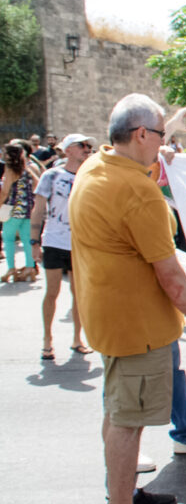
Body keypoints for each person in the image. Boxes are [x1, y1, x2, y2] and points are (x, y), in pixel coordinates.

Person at [70, 93, 186, 504]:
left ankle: (124, 495)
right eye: (159, 135)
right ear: (140, 136)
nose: (163, 145)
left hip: (109, 319)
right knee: (127, 420)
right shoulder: (137, 192)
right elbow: (171, 274)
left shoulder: (97, 167)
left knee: (117, 412)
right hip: (137, 327)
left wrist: (167, 127)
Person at [30, 133, 96, 359]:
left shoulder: (91, 176)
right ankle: (47, 340)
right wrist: (34, 241)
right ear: (68, 150)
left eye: (89, 146)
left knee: (79, 294)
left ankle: (78, 338)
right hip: (55, 241)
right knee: (52, 291)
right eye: (82, 145)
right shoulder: (51, 176)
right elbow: (38, 209)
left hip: (80, 243)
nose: (87, 149)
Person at [1, 140, 41, 283]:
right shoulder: (28, 169)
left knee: (8, 238)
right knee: (26, 239)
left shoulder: (10, 170)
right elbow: (38, 184)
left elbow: (5, 191)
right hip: (29, 209)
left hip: (13, 208)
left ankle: (11, 268)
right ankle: (30, 268)